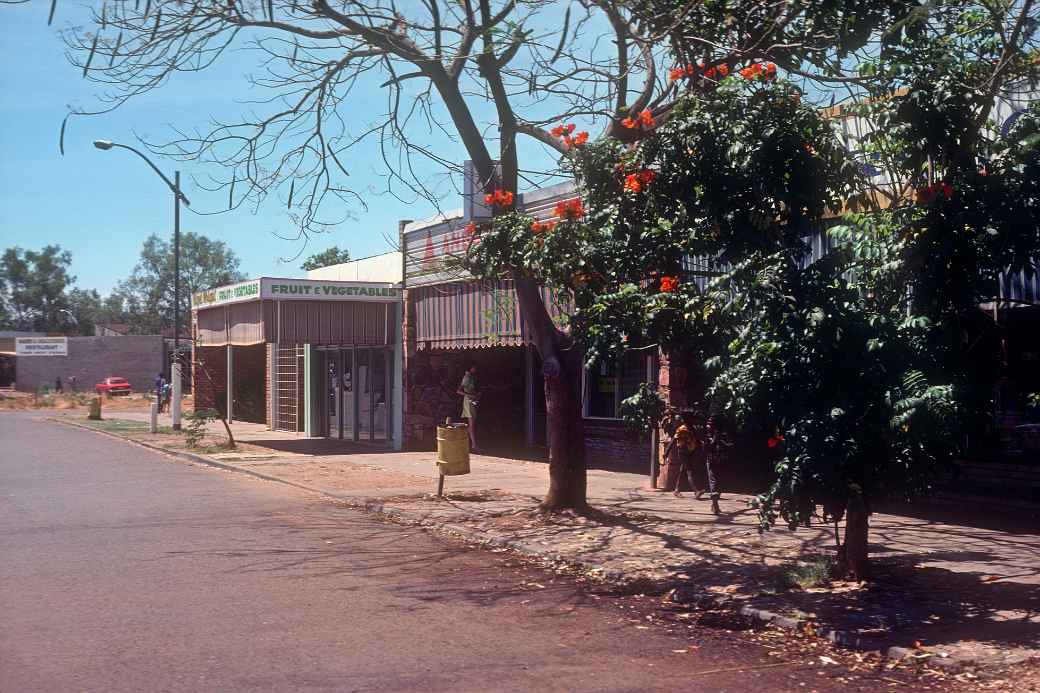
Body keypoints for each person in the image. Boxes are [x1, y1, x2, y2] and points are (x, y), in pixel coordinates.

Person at [699, 415, 729, 515]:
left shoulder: (722, 435)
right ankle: (715, 504)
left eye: (710, 423)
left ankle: (714, 504)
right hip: (711, 461)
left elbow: (727, 445)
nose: (708, 425)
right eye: (707, 423)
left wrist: (724, 443)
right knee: (713, 481)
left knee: (720, 482)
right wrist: (713, 441)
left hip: (721, 461)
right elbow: (706, 448)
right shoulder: (707, 435)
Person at [664, 425, 699, 497]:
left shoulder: (692, 428)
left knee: (682, 471)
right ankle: (696, 491)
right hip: (683, 453)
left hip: (689, 453)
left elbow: (694, 440)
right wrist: (666, 453)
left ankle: (676, 490)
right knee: (689, 472)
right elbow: (673, 441)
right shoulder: (681, 429)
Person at [457, 363, 480, 452]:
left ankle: (472, 443)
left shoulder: (470, 377)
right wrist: (470, 395)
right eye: (474, 367)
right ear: (471, 367)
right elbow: (458, 391)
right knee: (471, 424)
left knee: (472, 423)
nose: (475, 369)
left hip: (471, 401)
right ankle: (473, 444)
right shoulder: (466, 377)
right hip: (468, 401)